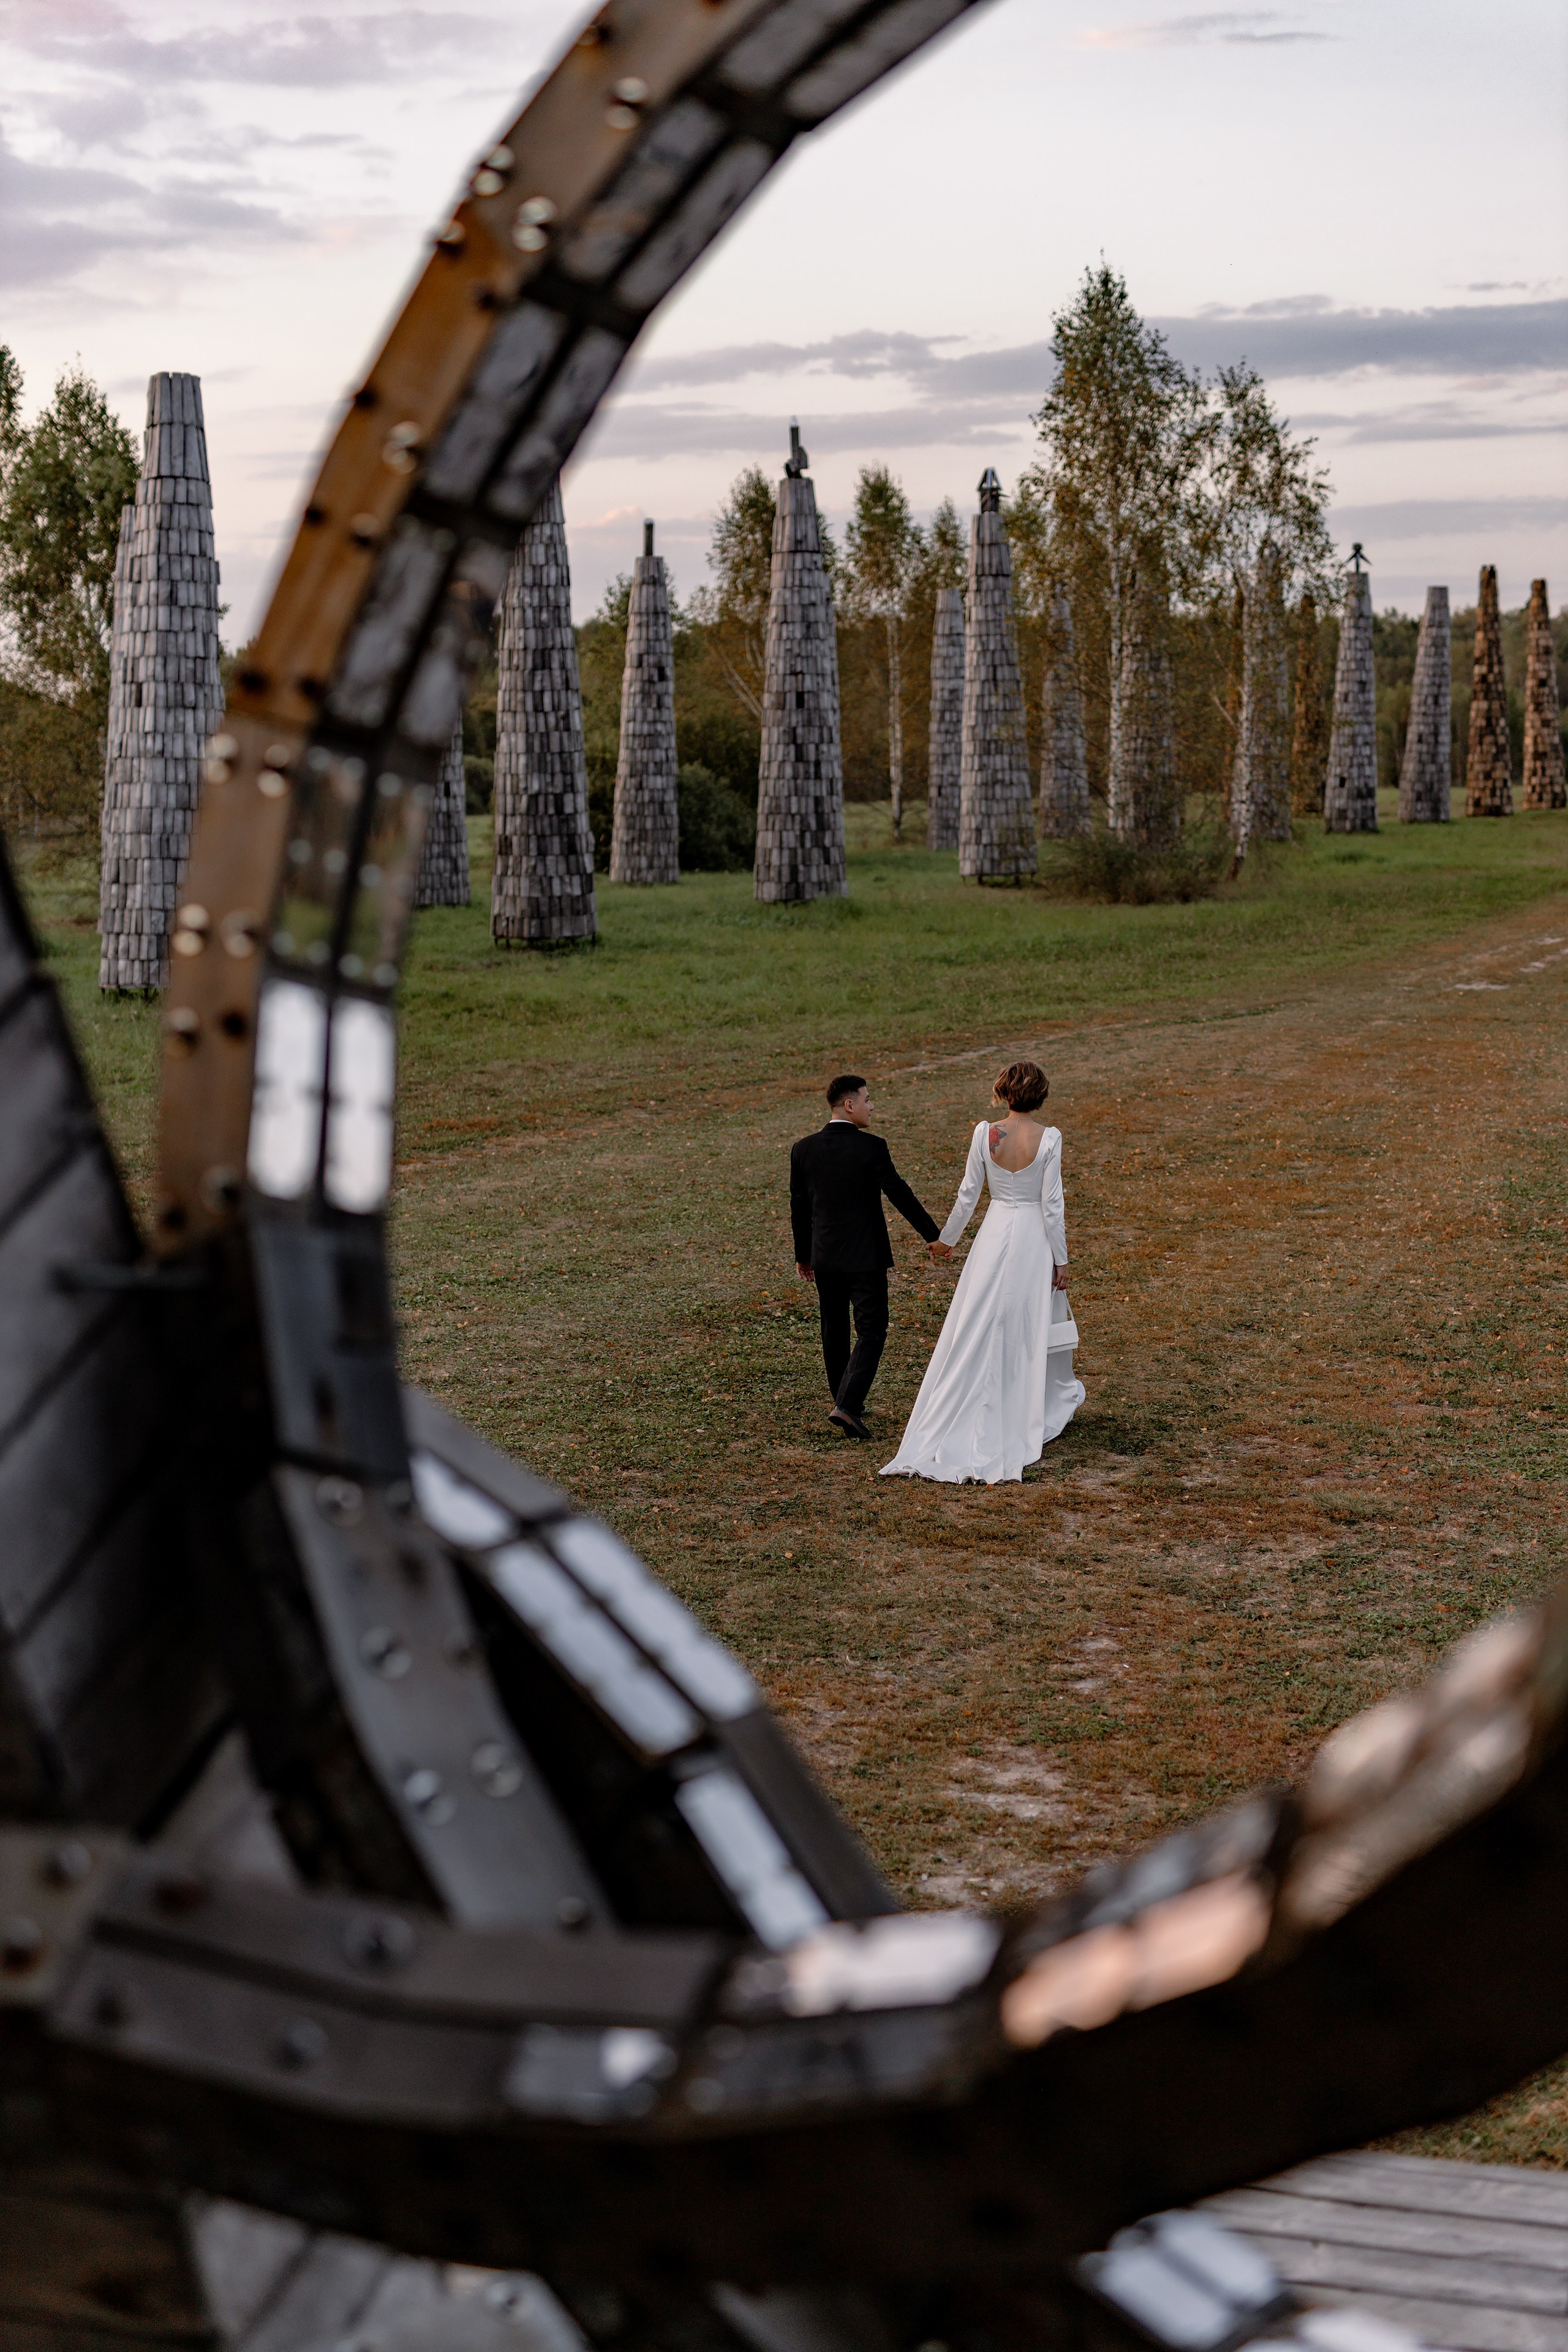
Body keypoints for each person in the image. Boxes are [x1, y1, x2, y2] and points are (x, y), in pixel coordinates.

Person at [881, 1060, 1084, 1485]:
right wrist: (1061, 1259)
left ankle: (971, 1401)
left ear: (1003, 1093)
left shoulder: (985, 1133)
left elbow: (969, 1193)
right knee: (1022, 1320)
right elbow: (1052, 1205)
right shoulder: (1049, 1138)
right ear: (1041, 1094)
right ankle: (1017, 1401)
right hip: (1031, 1238)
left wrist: (948, 1240)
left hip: (994, 1232)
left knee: (980, 1315)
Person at [790, 1074, 942, 1441]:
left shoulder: (803, 1149)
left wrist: (804, 1255)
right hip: (865, 1257)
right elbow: (899, 1193)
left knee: (834, 1329)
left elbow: (799, 1208)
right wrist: (934, 1236)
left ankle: (845, 1400)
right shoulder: (872, 1147)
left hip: (824, 1256)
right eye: (868, 1100)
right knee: (872, 1330)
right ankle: (847, 1404)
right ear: (849, 1105)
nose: (872, 1106)